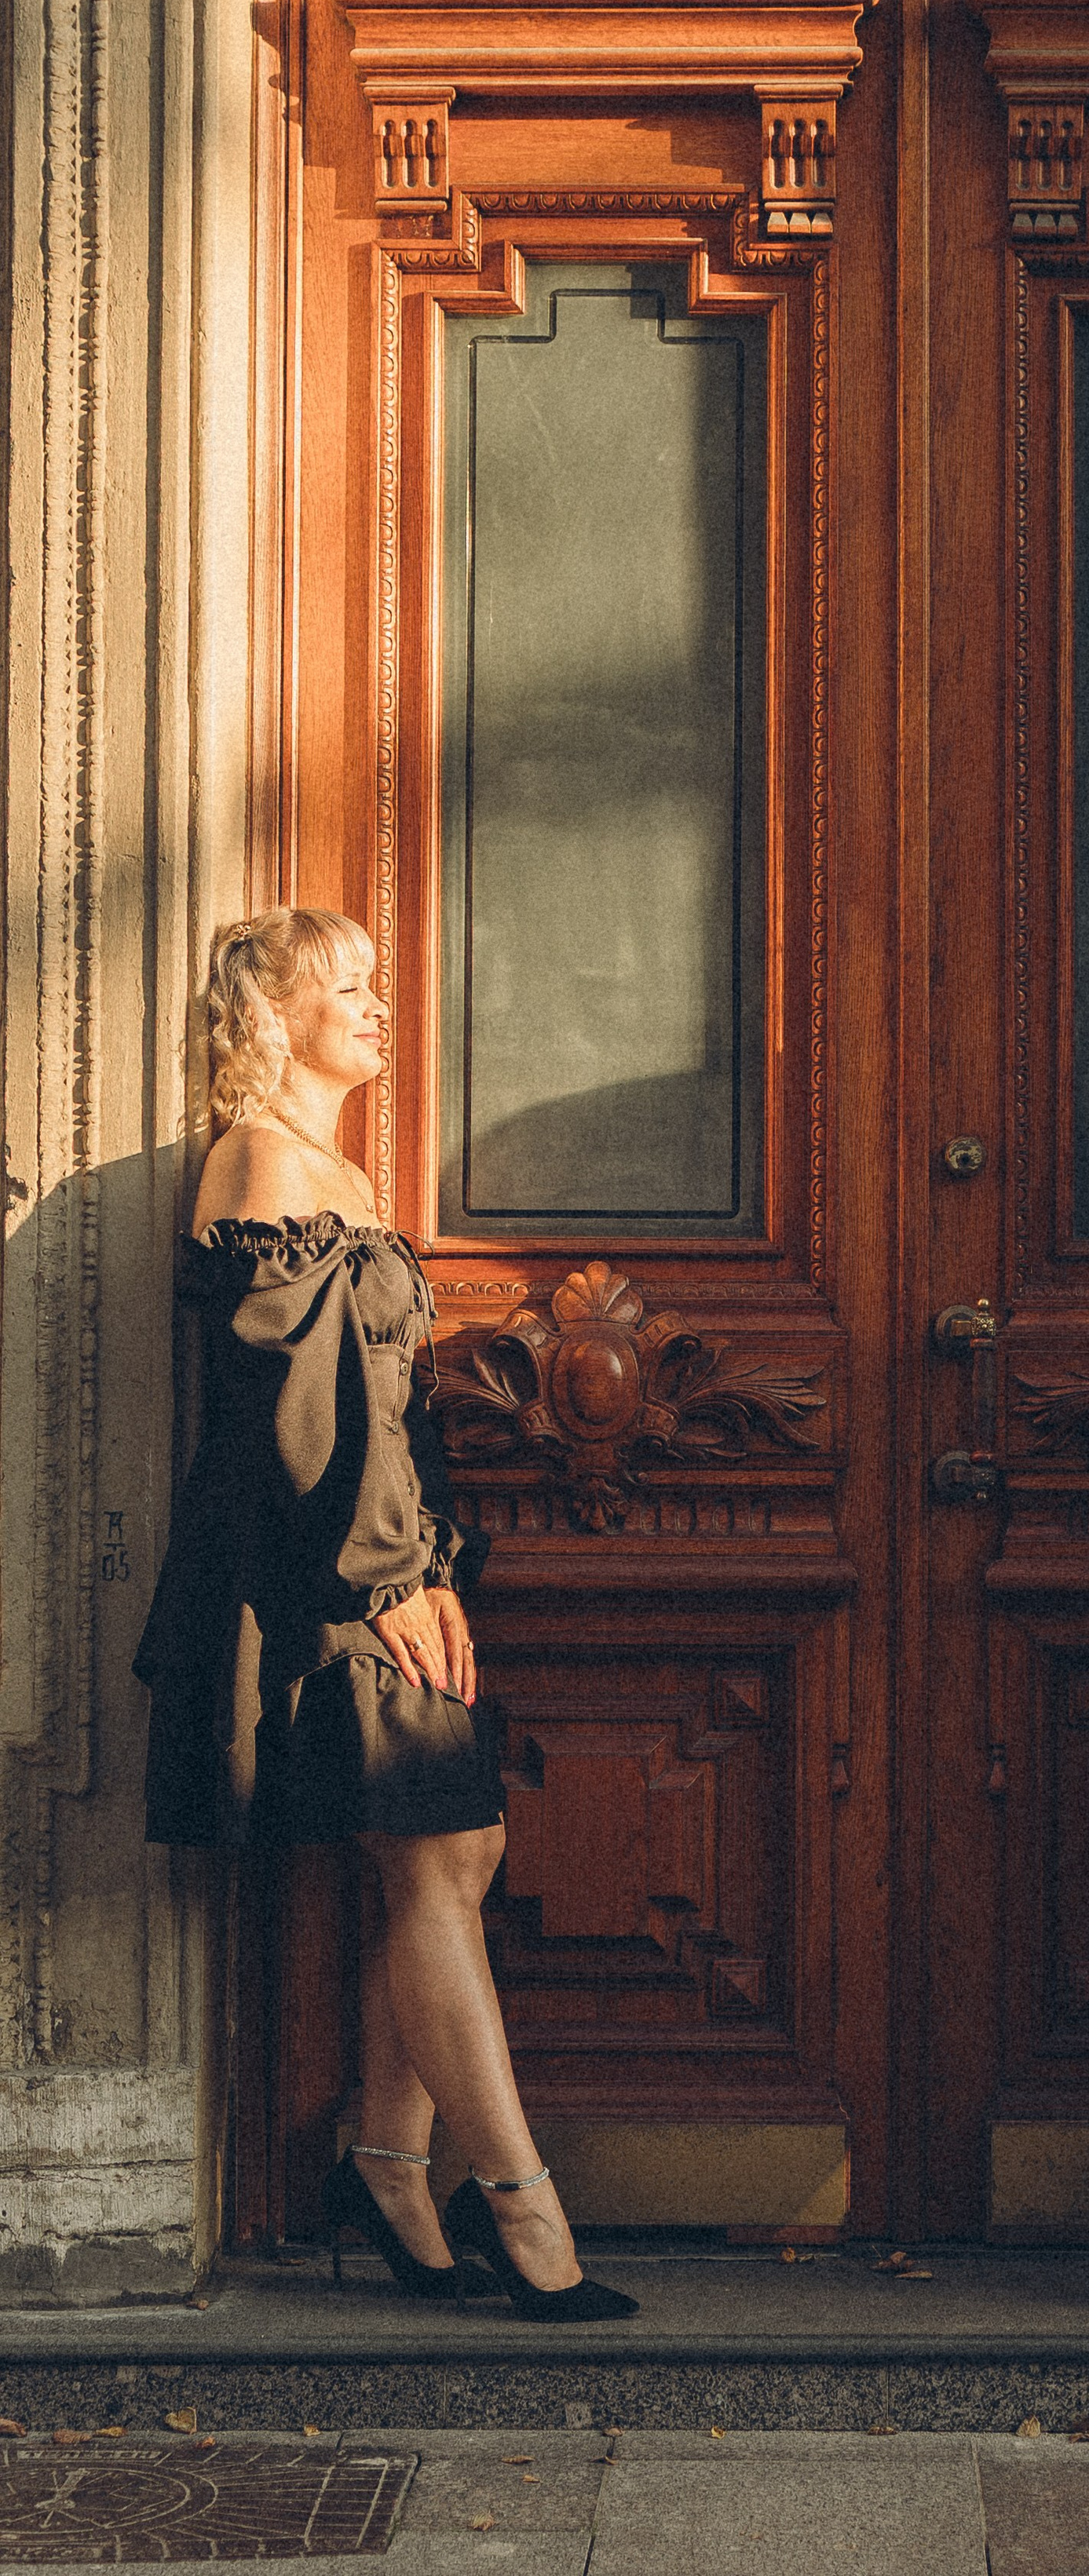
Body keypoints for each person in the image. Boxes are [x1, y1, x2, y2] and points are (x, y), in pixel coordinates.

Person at [135, 907, 637, 2322]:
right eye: (344, 987)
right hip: (322, 1570)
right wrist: (386, 1581)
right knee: (431, 1859)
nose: (375, 1004)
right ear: (269, 1014)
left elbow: (387, 1405)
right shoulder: (255, 1163)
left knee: (456, 1848)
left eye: (372, 983)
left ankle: (389, 2163)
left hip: (390, 1555)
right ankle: (526, 2216)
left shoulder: (339, 1172)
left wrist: (431, 1562)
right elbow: (290, 1420)